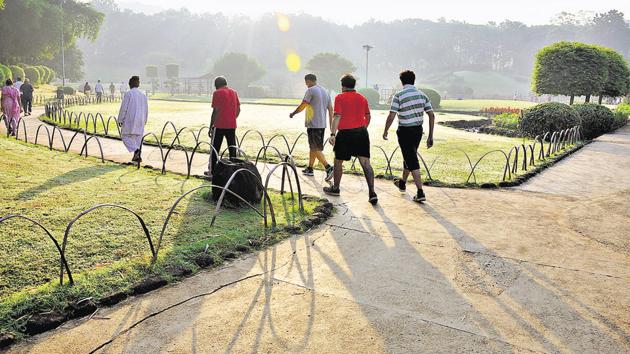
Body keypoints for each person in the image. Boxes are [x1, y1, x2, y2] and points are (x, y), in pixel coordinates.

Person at [324, 74, 378, 205]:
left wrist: (332, 134)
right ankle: (372, 192)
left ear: (343, 86)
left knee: (338, 162)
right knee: (365, 163)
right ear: (354, 85)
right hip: (361, 133)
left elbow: (337, 116)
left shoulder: (340, 97)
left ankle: (336, 188)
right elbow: (368, 116)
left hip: (345, 134)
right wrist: (363, 128)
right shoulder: (362, 98)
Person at [383, 70, 435, 203]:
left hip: (405, 131)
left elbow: (391, 115)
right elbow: (431, 115)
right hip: (418, 131)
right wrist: (430, 136)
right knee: (409, 156)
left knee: (412, 159)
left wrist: (386, 130)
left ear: (402, 81)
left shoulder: (399, 95)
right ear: (414, 80)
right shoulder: (422, 95)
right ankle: (402, 183)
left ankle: (420, 192)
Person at [289, 73, 334, 180]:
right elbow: (331, 109)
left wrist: (293, 113)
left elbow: (303, 104)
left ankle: (328, 167)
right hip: (322, 124)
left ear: (308, 81)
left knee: (315, 148)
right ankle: (310, 168)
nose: (306, 84)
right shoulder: (325, 91)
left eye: (306, 82)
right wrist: (331, 126)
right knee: (313, 147)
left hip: (313, 124)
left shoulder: (311, 90)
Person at [204, 76, 240, 179]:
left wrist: (211, 126)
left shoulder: (217, 93)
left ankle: (212, 171)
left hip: (219, 125)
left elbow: (215, 110)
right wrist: (233, 117)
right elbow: (238, 109)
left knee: (215, 148)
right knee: (232, 148)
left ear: (216, 85)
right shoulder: (234, 92)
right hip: (231, 125)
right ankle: (234, 171)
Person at [117, 76, 148, 163]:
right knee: (137, 138)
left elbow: (124, 108)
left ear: (130, 84)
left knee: (125, 136)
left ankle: (136, 151)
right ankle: (137, 156)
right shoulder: (143, 95)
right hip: (141, 119)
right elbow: (146, 109)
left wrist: (120, 120)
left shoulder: (128, 94)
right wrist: (145, 120)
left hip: (130, 119)